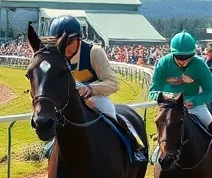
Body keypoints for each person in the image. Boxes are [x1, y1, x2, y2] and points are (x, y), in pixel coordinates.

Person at [48, 16, 143, 163]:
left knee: (110, 111)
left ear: (79, 39)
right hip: (66, 103)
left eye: (69, 42)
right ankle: (50, 145)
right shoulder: (52, 56)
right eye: (58, 42)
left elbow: (112, 83)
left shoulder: (94, 52)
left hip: (94, 99)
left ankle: (134, 145)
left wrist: (90, 89)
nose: (64, 47)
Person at [150, 30, 212, 160]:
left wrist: (193, 100)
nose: (183, 61)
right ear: (172, 53)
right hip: (169, 106)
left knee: (210, 121)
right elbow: (152, 91)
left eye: (187, 57)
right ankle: (157, 149)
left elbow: (210, 92)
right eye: (179, 57)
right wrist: (167, 98)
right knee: (164, 124)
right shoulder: (162, 63)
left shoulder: (200, 65)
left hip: (194, 104)